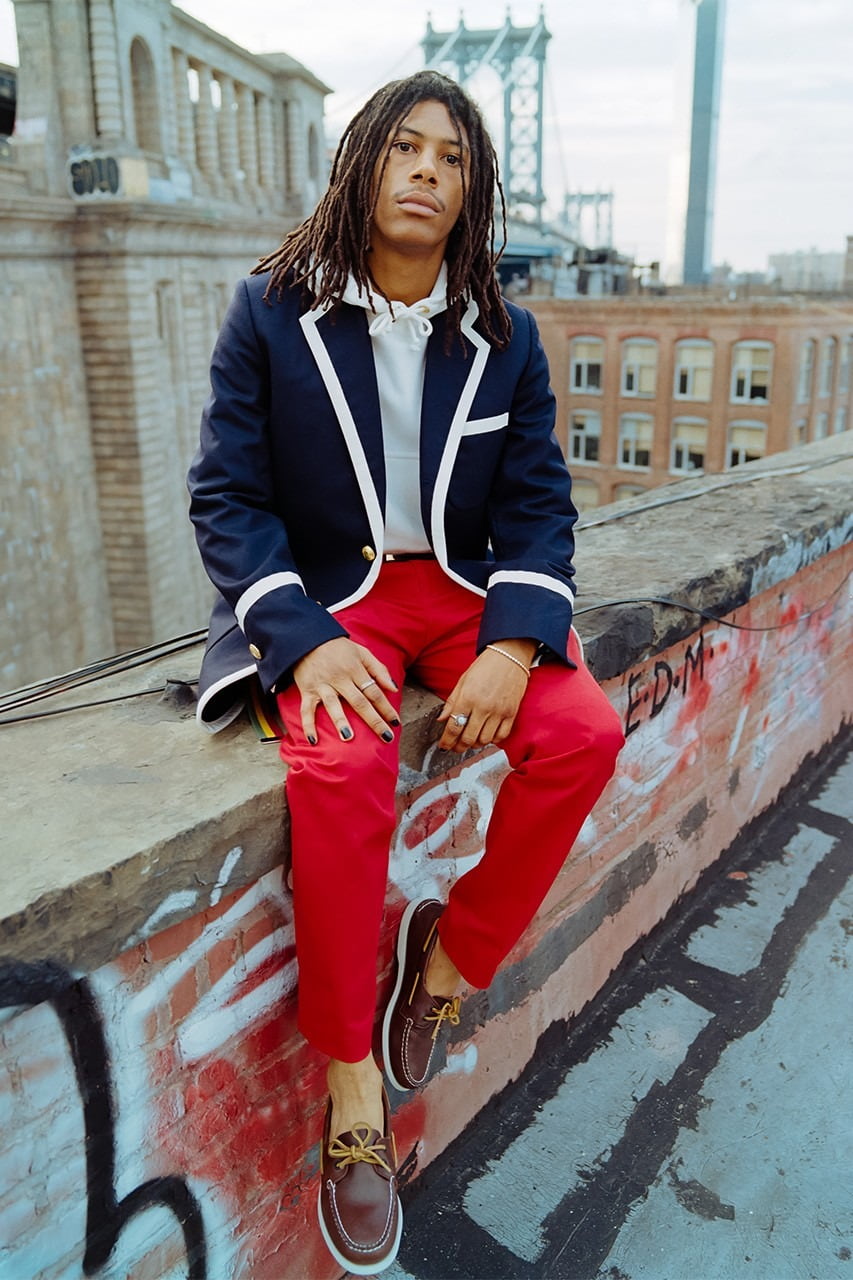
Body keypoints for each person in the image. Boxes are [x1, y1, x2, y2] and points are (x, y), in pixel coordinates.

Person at [188, 69, 624, 1275]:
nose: (428, 170)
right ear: (364, 165)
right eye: (405, 149)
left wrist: (512, 642)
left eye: (451, 157)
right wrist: (303, 634)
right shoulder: (269, 313)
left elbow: (540, 503)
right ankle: (352, 1097)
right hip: (335, 601)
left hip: (468, 598)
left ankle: (436, 970)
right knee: (337, 767)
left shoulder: (505, 333)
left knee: (583, 731)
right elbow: (226, 497)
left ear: (471, 190)